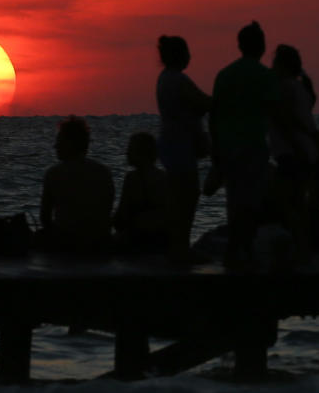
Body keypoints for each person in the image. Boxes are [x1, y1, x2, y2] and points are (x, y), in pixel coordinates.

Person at [210, 21, 279, 269]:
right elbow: (276, 112)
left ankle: (235, 250)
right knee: (251, 202)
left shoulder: (225, 75)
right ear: (260, 46)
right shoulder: (266, 76)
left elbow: (213, 116)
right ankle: (244, 249)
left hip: (228, 147)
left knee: (234, 200)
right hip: (253, 146)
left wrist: (215, 152)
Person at [155, 36, 212, 261]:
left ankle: (178, 246)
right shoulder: (178, 80)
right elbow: (204, 103)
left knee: (180, 195)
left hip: (173, 143)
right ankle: (180, 248)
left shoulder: (165, 78)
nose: (190, 56)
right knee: (186, 196)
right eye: (187, 52)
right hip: (180, 145)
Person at [269, 44, 318, 262]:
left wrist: (296, 145)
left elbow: (285, 119)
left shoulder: (285, 87)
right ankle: (303, 248)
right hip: (305, 150)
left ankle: (298, 248)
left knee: (286, 202)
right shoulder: (301, 87)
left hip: (292, 151)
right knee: (299, 201)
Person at [40, 116, 116, 254]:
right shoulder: (104, 172)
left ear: (69, 144)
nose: (55, 146)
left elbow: (45, 217)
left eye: (59, 141)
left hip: (67, 243)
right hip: (100, 243)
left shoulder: (54, 174)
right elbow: (108, 209)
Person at [113, 132, 170, 253]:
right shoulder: (165, 177)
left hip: (140, 239)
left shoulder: (133, 178)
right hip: (164, 239)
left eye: (130, 149)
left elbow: (121, 217)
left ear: (139, 153)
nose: (127, 153)